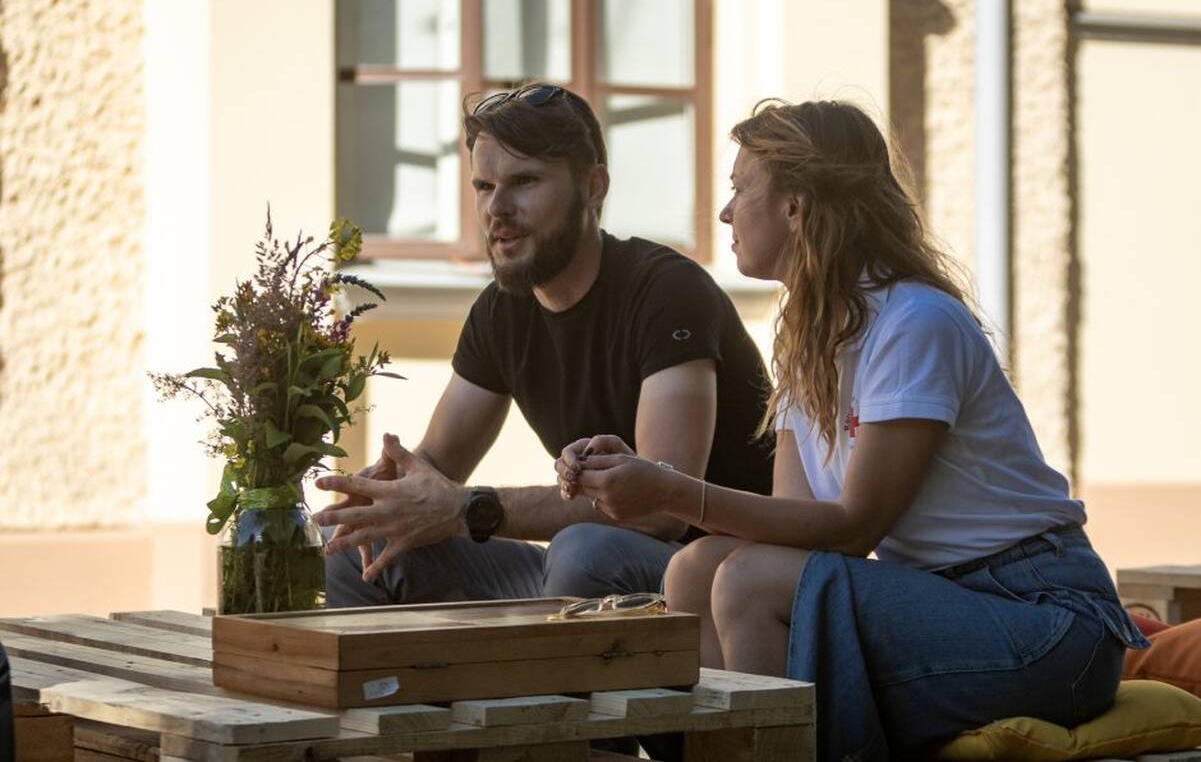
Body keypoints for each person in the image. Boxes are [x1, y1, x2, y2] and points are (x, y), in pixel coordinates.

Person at [558, 99, 1148, 761]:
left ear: (795, 207)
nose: (725, 213)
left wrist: (668, 491)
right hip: (944, 603)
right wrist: (646, 476)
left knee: (748, 580)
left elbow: (853, 527)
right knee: (697, 569)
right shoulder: (810, 338)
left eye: (740, 189)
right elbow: (793, 523)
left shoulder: (913, 323)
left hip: (1043, 619)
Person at [314, 83, 774, 608]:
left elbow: (659, 510)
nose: (497, 208)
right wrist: (384, 496)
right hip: (580, 573)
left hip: (715, 578)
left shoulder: (667, 291)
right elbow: (438, 463)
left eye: (524, 181)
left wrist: (470, 509)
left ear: (593, 187)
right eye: (484, 187)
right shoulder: (502, 310)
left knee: (583, 552)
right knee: (356, 542)